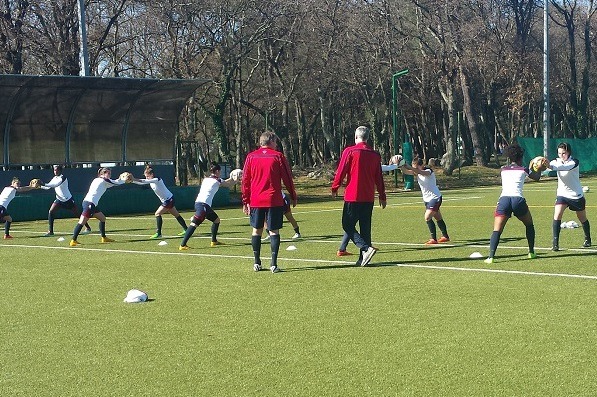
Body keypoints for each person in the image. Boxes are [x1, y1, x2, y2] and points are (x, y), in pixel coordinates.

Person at [242, 131, 297, 273]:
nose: (276, 144)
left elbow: (245, 181)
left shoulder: (251, 157)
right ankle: (273, 264)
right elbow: (287, 178)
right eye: (275, 142)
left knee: (257, 231)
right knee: (273, 231)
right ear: (271, 141)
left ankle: (257, 262)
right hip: (273, 200)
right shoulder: (278, 156)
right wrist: (293, 195)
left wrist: (245, 200)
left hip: (256, 200)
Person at [331, 126, 386, 267]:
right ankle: (363, 259)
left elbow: (341, 170)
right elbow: (378, 176)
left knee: (347, 224)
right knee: (365, 227)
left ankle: (366, 248)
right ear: (367, 138)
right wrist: (382, 194)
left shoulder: (350, 151)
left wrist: (335, 186)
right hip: (368, 196)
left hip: (353, 195)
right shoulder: (375, 155)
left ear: (356, 137)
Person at [484, 144, 541, 264]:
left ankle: (491, 257)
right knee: (529, 225)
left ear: (509, 157)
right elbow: (536, 177)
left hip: (504, 200)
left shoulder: (503, 169)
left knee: (497, 230)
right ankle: (531, 252)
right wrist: (538, 168)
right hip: (517, 200)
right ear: (521, 157)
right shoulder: (524, 169)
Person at [179, 162, 238, 250]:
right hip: (203, 205)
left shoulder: (206, 179)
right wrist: (236, 179)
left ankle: (214, 241)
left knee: (216, 220)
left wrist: (232, 177)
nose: (220, 173)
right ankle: (182, 245)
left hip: (200, 204)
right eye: (220, 171)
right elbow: (228, 184)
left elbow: (225, 181)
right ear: (217, 171)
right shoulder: (217, 180)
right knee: (194, 224)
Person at [548, 142, 591, 250]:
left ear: (569, 152)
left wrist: (550, 166)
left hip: (576, 195)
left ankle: (588, 239)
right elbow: (549, 166)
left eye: (564, 153)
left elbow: (564, 167)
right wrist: (541, 164)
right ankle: (555, 243)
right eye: (559, 153)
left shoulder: (574, 162)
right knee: (557, 215)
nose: (561, 155)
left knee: (582, 218)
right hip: (562, 195)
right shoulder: (556, 161)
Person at [69, 167, 127, 247]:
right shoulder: (104, 180)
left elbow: (113, 182)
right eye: (108, 173)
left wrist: (120, 179)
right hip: (90, 203)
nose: (109, 175)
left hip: (90, 203)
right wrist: (124, 180)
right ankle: (73, 240)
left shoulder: (97, 179)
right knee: (81, 222)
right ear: (102, 174)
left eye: (110, 173)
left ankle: (104, 237)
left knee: (102, 218)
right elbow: (115, 183)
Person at [400, 157, 450, 245]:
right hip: (427, 199)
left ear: (422, 165)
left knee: (427, 217)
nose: (415, 169)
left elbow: (420, 172)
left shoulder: (428, 171)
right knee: (438, 218)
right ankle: (445, 236)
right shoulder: (417, 172)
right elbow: (406, 171)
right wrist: (400, 165)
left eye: (416, 167)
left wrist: (410, 167)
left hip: (435, 198)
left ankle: (433, 239)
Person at [134, 165, 188, 239]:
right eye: (145, 176)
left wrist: (133, 178)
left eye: (147, 176)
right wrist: (132, 181)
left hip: (168, 200)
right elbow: (142, 182)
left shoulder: (157, 179)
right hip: (168, 199)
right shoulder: (151, 181)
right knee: (176, 215)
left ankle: (158, 233)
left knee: (157, 213)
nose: (146, 178)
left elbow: (144, 181)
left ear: (152, 175)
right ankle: (186, 230)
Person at [41, 164, 91, 237]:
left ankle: (88, 227)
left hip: (68, 200)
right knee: (51, 211)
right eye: (54, 170)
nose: (55, 171)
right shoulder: (54, 178)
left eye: (57, 170)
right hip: (59, 200)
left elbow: (55, 185)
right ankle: (50, 231)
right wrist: (40, 186)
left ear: (60, 170)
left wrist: (43, 183)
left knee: (77, 214)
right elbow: (48, 186)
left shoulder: (63, 178)